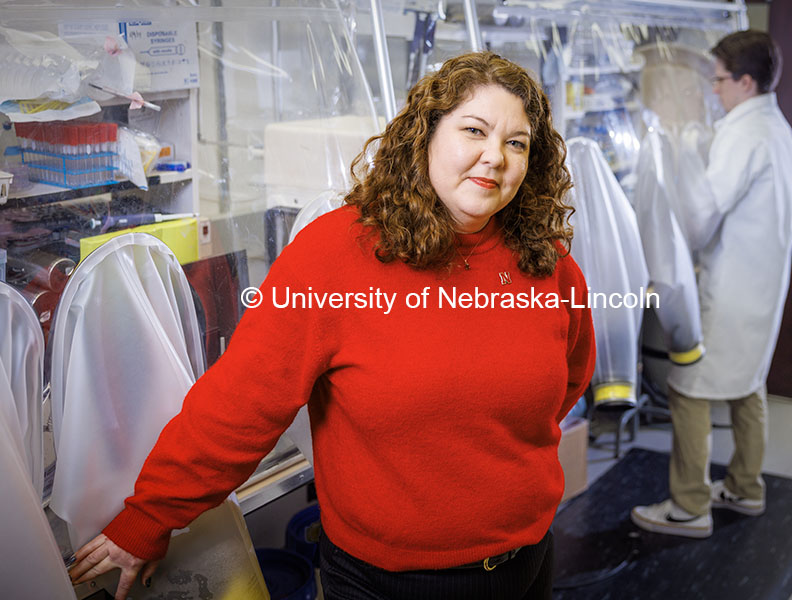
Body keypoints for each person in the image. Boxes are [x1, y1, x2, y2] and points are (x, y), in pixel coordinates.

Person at [67, 51, 595, 600]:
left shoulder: (546, 262)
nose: (495, 158)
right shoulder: (335, 256)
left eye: (517, 142)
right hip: (385, 582)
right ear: (426, 137)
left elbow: (569, 380)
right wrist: (150, 515)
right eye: (474, 130)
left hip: (525, 561)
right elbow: (239, 405)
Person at [631, 30, 792, 538]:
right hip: (763, 284)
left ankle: (689, 507)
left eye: (720, 80)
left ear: (745, 82)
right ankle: (746, 488)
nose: (713, 89)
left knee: (687, 388)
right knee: (749, 385)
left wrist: (676, 160)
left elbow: (702, 218)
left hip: (732, 289)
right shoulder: (773, 125)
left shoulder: (745, 134)